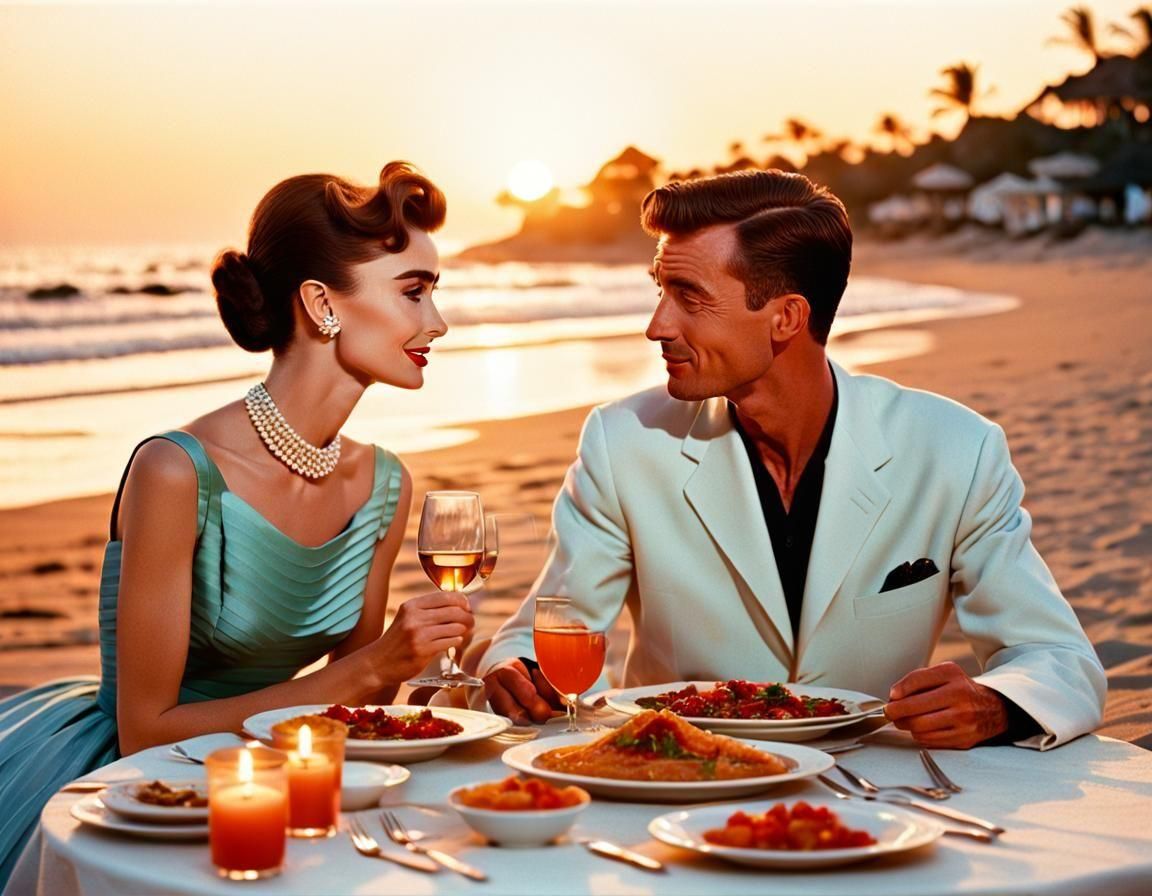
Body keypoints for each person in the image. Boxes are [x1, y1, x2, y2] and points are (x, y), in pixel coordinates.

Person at [479, 169, 1106, 751]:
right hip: (679, 779)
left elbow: (1059, 660)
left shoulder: (955, 449)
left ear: (786, 317)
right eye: (660, 290)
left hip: (876, 791)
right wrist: (519, 672)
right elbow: (548, 633)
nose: (656, 325)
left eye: (688, 297)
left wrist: (993, 704)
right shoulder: (625, 442)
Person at [0, 162, 474, 883]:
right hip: (131, 779)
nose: (435, 322)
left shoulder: (384, 482)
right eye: (414, 292)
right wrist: (377, 664)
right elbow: (145, 729)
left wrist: (422, 674)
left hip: (281, 770)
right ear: (321, 303)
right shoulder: (176, 472)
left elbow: (357, 696)